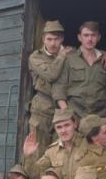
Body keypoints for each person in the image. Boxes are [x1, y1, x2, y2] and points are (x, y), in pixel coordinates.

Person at [27, 20, 72, 158]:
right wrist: (62, 56)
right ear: (43, 39)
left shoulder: (71, 54)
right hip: (42, 110)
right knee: (39, 152)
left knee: (62, 151)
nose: (53, 43)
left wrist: (105, 54)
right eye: (49, 39)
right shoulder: (35, 57)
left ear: (62, 39)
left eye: (57, 39)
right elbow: (51, 75)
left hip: (63, 108)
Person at [53, 21, 106, 119]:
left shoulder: (104, 60)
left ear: (98, 37)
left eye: (93, 35)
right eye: (86, 35)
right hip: (76, 116)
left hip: (98, 118)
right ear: (79, 37)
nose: (90, 39)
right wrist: (68, 114)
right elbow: (59, 88)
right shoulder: (69, 58)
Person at [23, 108, 84, 179]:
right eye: (59, 127)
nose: (63, 130)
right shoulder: (52, 151)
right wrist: (28, 156)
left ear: (75, 124)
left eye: (67, 125)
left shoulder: (87, 143)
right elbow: (35, 174)